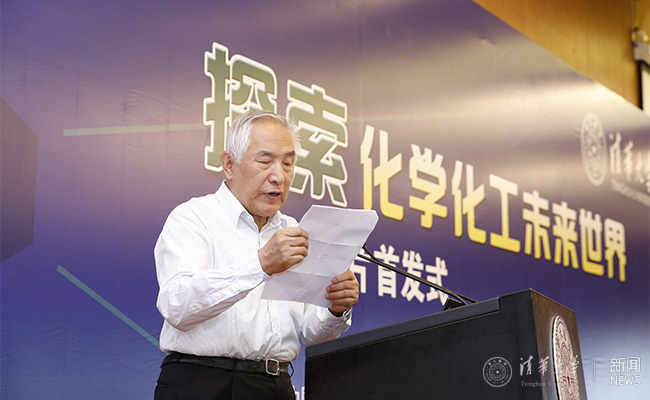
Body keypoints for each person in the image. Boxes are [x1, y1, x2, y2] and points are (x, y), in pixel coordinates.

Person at [153, 109, 359, 400]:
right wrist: (261, 263)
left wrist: (335, 308)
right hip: (202, 383)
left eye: (287, 163)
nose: (279, 176)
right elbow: (177, 306)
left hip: (275, 385)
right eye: (265, 161)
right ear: (229, 164)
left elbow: (310, 333)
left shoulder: (295, 231)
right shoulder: (194, 217)